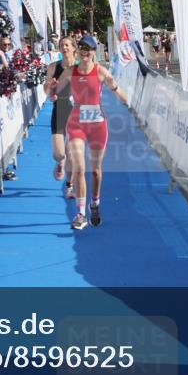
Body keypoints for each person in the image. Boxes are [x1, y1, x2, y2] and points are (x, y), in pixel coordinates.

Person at [48, 35, 129, 231]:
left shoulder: (101, 72)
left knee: (96, 172)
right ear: (79, 51)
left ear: (94, 52)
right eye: (82, 48)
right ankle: (81, 214)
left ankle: (95, 203)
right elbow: (52, 94)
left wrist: (119, 93)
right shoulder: (69, 72)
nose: (85, 52)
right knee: (78, 167)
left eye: (89, 49)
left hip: (97, 127)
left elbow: (121, 95)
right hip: (76, 123)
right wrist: (51, 90)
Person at [45, 36, 77, 196]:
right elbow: (47, 90)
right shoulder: (53, 67)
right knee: (59, 154)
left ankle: (69, 186)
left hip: (76, 113)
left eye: (67, 45)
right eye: (61, 45)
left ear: (73, 48)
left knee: (71, 152)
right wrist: (51, 92)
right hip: (59, 110)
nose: (64, 48)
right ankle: (60, 161)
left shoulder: (81, 67)